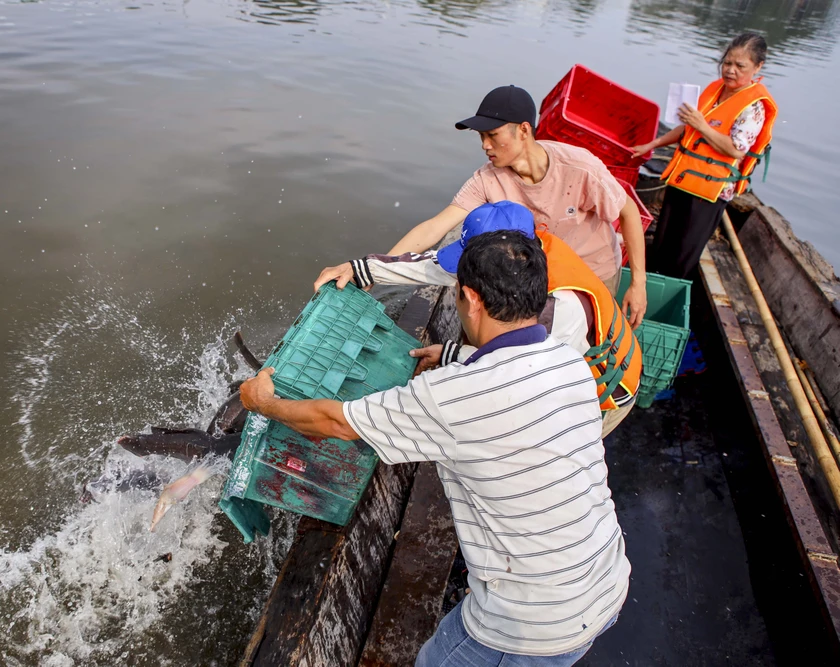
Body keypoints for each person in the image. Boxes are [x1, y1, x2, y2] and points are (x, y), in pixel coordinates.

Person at [241, 231, 629, 666]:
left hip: (526, 626)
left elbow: (338, 422)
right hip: (605, 582)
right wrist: (453, 354)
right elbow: (506, 385)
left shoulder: (454, 397)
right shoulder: (571, 362)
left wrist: (265, 403)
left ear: (469, 298)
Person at [314, 200, 641, 436]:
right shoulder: (523, 252)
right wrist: (361, 268)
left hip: (603, 385)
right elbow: (435, 266)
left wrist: (456, 361)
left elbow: (530, 375)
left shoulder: (558, 307)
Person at [381, 85, 648, 328]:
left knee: (574, 340)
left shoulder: (578, 167)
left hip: (591, 273)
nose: (485, 145)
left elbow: (628, 212)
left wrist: (638, 284)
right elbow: (434, 227)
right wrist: (378, 268)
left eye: (493, 135)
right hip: (538, 274)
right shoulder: (487, 179)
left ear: (523, 130)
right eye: (481, 136)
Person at [633, 32, 777, 279]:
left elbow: (736, 149)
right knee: (662, 246)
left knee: (682, 257)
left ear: (757, 66)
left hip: (710, 192)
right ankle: (650, 287)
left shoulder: (753, 107)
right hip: (684, 180)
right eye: (727, 63)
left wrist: (701, 125)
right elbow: (688, 128)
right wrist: (652, 144)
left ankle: (669, 297)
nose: (730, 70)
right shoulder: (715, 91)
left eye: (740, 66)